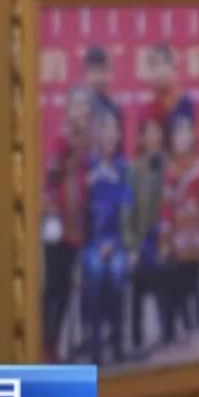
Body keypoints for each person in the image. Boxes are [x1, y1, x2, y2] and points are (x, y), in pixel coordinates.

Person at [40, 86, 92, 361]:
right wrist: (52, 218)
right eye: (76, 106)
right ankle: (46, 345)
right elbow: (49, 183)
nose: (80, 112)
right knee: (54, 289)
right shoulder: (61, 141)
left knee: (70, 290)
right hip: (58, 228)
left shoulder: (89, 144)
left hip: (79, 227)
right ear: (68, 110)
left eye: (85, 107)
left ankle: (65, 344)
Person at [80, 106, 133, 365]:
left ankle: (117, 341)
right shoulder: (87, 166)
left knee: (116, 272)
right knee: (95, 272)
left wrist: (117, 243)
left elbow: (127, 210)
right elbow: (80, 210)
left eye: (114, 130)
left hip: (117, 242)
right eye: (105, 129)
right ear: (97, 135)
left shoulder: (124, 169)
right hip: (91, 243)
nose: (110, 135)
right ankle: (94, 344)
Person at [161, 113, 199, 338]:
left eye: (185, 132)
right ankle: (177, 325)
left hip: (197, 238)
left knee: (192, 276)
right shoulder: (169, 171)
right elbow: (165, 208)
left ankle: (194, 324)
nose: (182, 138)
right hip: (176, 238)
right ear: (171, 139)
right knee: (173, 275)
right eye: (177, 133)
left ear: (193, 136)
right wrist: (165, 240)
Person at [126, 116, 169, 353]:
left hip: (164, 238)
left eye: (157, 131)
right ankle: (136, 338)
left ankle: (167, 334)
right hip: (142, 241)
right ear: (141, 138)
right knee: (139, 283)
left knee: (164, 276)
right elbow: (128, 211)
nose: (153, 137)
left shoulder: (168, 166)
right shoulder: (134, 170)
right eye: (148, 132)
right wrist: (132, 244)